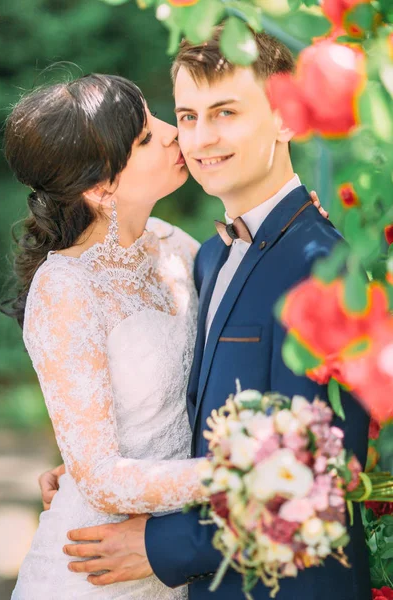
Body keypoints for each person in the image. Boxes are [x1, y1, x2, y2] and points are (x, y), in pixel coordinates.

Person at [53, 27, 371, 600]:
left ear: (285, 119)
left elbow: (318, 477)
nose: (201, 138)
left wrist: (159, 546)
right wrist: (100, 468)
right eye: (189, 116)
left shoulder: (324, 267)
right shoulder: (208, 256)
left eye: (225, 112)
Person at [4, 73, 211, 600]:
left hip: (168, 559)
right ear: (99, 188)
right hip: (91, 569)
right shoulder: (65, 288)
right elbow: (98, 476)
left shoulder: (177, 246)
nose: (172, 133)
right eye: (145, 138)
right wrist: (235, 479)